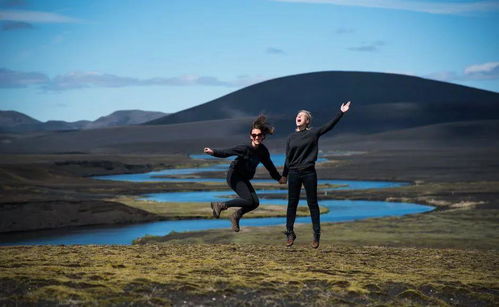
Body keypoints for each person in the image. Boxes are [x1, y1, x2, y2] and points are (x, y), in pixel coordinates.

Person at [280, 101, 351, 248]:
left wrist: (341, 112)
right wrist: (284, 175)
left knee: (312, 203)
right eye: (297, 115)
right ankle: (289, 232)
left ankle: (316, 234)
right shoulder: (291, 137)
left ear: (307, 121)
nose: (298, 117)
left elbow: (329, 126)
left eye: (302, 116)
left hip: (308, 172)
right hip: (293, 173)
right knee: (292, 204)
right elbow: (288, 158)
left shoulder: (313, 133)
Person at [204, 115, 283, 232]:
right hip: (234, 176)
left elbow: (270, 167)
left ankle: (236, 215)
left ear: (263, 137)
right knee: (248, 200)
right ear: (250, 136)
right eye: (254, 135)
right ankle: (220, 205)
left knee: (255, 203)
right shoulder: (244, 148)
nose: (256, 137)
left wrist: (279, 178)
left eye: (259, 135)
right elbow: (227, 152)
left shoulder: (263, 152)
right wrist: (213, 152)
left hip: (244, 178)